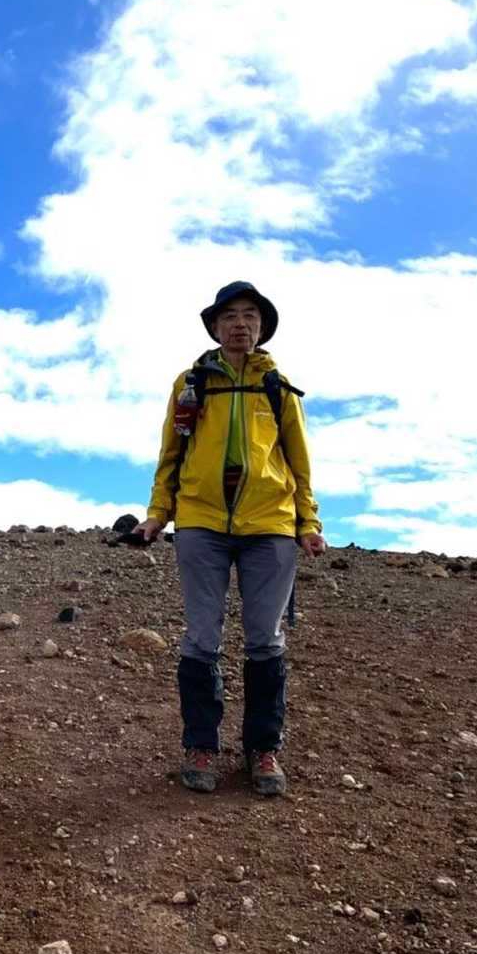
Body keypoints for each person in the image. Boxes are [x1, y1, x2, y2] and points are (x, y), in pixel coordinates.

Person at [136, 281, 326, 796]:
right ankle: (201, 746)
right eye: (230, 316)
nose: (241, 324)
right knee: (202, 637)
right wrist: (158, 514)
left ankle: (262, 749)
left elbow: (299, 462)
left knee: (266, 640)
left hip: (271, 525)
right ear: (215, 327)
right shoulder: (191, 384)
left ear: (261, 328)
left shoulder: (279, 387)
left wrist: (307, 523)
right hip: (201, 522)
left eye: (250, 316)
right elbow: (171, 454)